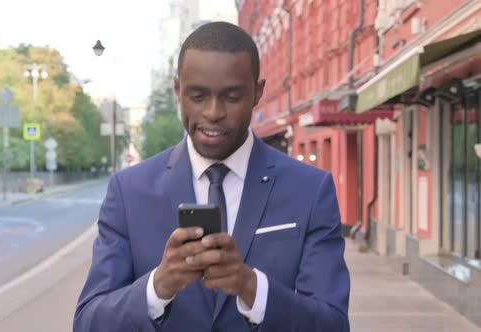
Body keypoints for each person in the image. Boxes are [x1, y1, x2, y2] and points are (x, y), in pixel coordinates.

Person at [74, 21, 350, 332]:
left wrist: (251, 287)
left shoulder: (310, 190)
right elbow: (88, 323)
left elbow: (333, 324)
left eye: (231, 97)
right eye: (198, 96)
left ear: (257, 92)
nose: (213, 112)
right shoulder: (128, 191)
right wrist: (158, 287)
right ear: (178, 90)